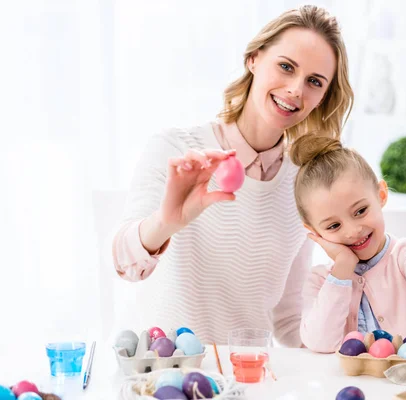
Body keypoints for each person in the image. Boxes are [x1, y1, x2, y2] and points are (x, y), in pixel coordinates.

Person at [111, 5, 353, 347]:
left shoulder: (303, 183)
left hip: (246, 378)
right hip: (161, 373)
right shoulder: (177, 149)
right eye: (286, 67)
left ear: (323, 97)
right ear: (254, 59)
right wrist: (166, 221)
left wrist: (357, 342)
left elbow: (288, 318)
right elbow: (124, 263)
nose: (296, 90)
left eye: (314, 82)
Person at [290, 135, 406, 353]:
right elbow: (319, 343)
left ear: (381, 195)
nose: (353, 231)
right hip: (350, 386)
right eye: (334, 226)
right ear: (314, 232)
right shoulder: (320, 282)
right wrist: (342, 267)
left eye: (360, 211)